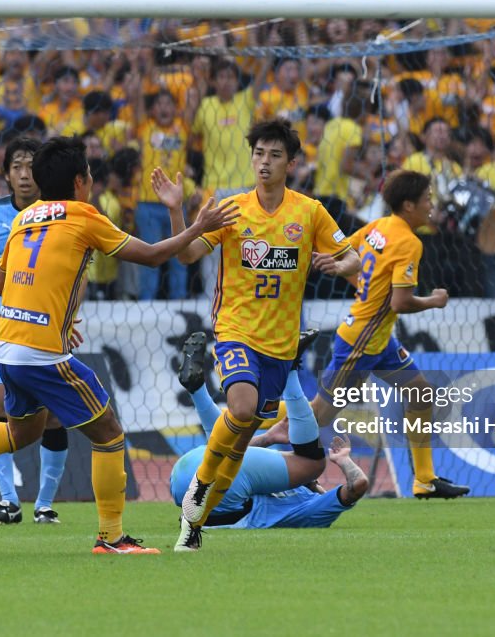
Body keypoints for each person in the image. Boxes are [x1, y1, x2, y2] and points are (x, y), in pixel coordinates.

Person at [0, 136, 238, 554]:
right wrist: (198, 227)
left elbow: (2, 283)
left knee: (20, 432)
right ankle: (111, 538)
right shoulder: (84, 216)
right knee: (109, 433)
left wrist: (51, 310)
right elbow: (152, 256)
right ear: (80, 181)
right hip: (42, 354)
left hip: (7, 347)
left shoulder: (24, 218)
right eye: (90, 174)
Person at [153, 117, 361, 552]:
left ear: (291, 164)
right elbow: (187, 255)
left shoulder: (309, 212)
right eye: (259, 154)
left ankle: (194, 522)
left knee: (242, 438)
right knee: (243, 408)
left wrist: (338, 265)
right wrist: (177, 211)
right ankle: (199, 489)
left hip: (280, 346)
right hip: (235, 331)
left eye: (275, 155)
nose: (264, 162)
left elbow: (354, 259)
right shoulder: (232, 210)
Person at [301, 170, 471, 500]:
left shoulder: (378, 227)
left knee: (420, 393)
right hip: (361, 344)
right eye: (427, 199)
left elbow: (347, 254)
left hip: (379, 342)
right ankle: (244, 423)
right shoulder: (409, 243)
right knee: (319, 414)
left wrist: (355, 278)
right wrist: (434, 301)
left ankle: (425, 481)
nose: (431, 205)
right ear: (409, 205)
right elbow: (400, 302)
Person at [171, 332, 368, 531]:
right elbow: (236, 458)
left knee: (313, 464)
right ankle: (198, 390)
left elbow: (358, 484)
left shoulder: (310, 510)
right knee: (225, 442)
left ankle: (289, 369)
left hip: (207, 486)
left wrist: (344, 460)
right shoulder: (280, 484)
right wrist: (267, 438)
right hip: (185, 480)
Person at [0, 136, 69, 525]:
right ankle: (8, 501)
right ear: (7, 174)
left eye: (31, 166)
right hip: (0, 327)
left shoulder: (59, 212)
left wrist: (69, 318)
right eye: (17, 167)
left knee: (52, 416)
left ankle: (44, 504)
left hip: (44, 324)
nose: (25, 174)